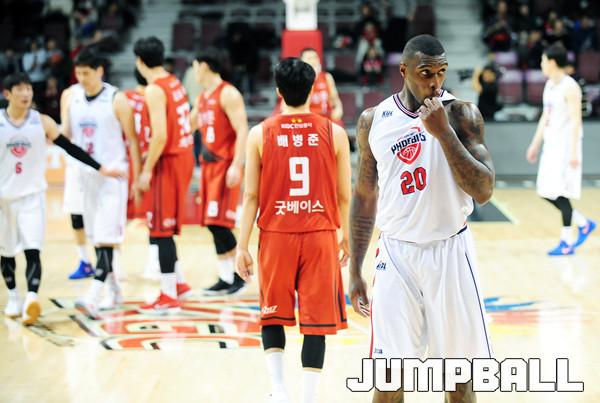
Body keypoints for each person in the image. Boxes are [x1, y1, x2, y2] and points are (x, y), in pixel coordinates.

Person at [348, 34, 495, 403]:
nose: (435, 82)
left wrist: (443, 133)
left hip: (451, 253)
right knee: (388, 378)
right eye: (426, 73)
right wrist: (355, 270)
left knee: (459, 381)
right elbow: (364, 196)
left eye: (441, 72)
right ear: (404, 71)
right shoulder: (373, 121)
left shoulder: (461, 115)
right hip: (396, 255)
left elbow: (483, 190)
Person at [236, 58, 351, 403]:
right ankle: (309, 397)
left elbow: (251, 196)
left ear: (278, 91)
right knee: (316, 321)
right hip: (320, 234)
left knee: (272, 314)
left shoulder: (259, 133)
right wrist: (346, 236)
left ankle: (279, 389)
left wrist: (242, 245)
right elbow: (344, 195)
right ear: (313, 89)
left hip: (276, 235)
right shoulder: (334, 133)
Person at [1, 73, 124, 324]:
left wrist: (100, 167)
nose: (26, 94)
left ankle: (31, 298)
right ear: (7, 94)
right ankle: (13, 296)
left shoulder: (42, 122)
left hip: (32, 197)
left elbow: (70, 148)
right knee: (7, 252)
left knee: (33, 249)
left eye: (28, 89)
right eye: (20, 89)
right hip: (4, 199)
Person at [62, 47, 142, 318]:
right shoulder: (72, 98)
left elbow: (132, 140)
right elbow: (66, 136)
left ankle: (93, 296)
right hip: (85, 177)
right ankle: (114, 291)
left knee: (107, 238)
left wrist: (137, 176)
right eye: (78, 73)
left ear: (100, 71)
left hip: (113, 178)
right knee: (97, 237)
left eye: (86, 73)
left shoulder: (117, 99)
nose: (82, 78)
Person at [134, 37, 195, 313]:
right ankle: (179, 282)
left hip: (167, 160)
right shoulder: (174, 81)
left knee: (160, 229)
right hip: (183, 156)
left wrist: (146, 169)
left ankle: (168, 295)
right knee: (164, 226)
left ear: (139, 61)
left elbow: (159, 135)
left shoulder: (154, 89)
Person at [526, 43, 595, 255]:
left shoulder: (570, 86)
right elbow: (545, 117)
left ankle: (566, 242)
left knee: (560, 192)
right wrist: (535, 144)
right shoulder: (550, 85)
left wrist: (573, 153)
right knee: (545, 191)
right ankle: (583, 223)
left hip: (566, 148)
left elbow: (576, 121)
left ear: (553, 62)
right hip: (551, 145)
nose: (541, 64)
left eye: (543, 60)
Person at [190, 53, 249, 295]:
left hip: (225, 167)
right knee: (211, 223)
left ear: (204, 66)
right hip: (208, 167)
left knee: (220, 223)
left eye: (195, 67)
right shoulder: (203, 97)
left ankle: (241, 276)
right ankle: (225, 276)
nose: (193, 72)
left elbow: (242, 128)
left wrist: (237, 164)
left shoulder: (228, 93)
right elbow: (188, 125)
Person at [124, 68, 161, 280]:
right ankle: (154, 264)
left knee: (120, 216)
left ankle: (113, 267)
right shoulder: (155, 96)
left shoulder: (125, 98)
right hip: (149, 159)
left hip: (128, 160)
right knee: (154, 216)